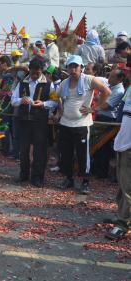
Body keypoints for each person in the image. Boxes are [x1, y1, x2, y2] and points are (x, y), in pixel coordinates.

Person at [54, 55, 111, 194]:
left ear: (81, 68)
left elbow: (106, 91)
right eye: (70, 67)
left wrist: (94, 108)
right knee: (66, 154)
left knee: (82, 155)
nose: (73, 69)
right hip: (65, 123)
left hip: (82, 124)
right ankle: (69, 179)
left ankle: (85, 182)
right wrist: (60, 110)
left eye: (76, 66)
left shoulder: (89, 79)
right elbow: (57, 96)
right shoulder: (64, 83)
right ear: (67, 68)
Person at [11, 58, 58, 187]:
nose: (34, 75)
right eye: (32, 72)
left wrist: (44, 103)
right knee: (24, 150)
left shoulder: (49, 84)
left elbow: (55, 102)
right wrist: (21, 100)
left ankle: (37, 177)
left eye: (37, 73)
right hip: (24, 121)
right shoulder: (22, 83)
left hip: (40, 122)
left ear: (41, 70)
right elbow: (13, 100)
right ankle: (23, 175)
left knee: (40, 151)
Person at [106, 68, 131, 240]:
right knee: (123, 185)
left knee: (128, 186)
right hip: (123, 143)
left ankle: (123, 223)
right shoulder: (129, 89)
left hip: (129, 145)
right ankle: (120, 215)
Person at [92, 69, 126, 178]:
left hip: (107, 120)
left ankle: (101, 172)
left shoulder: (119, 91)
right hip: (101, 117)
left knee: (102, 146)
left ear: (120, 79)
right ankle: (96, 170)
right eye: (109, 76)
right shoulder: (110, 87)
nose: (109, 79)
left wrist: (94, 108)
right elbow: (98, 99)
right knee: (96, 145)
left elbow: (106, 106)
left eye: (112, 77)